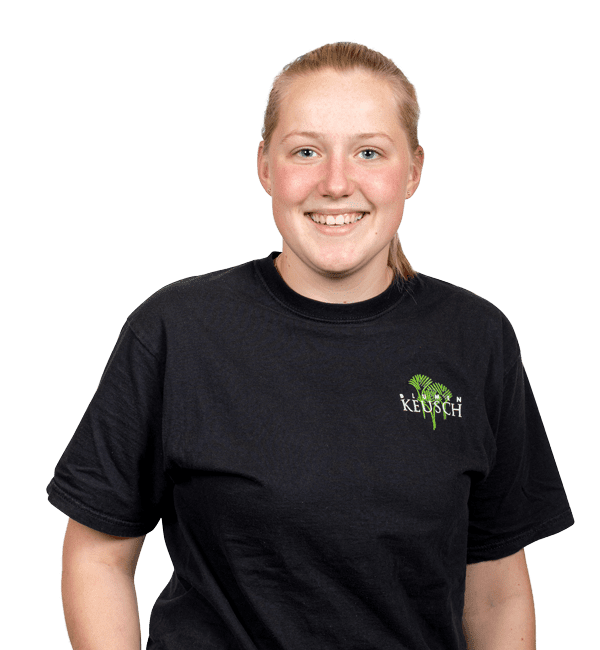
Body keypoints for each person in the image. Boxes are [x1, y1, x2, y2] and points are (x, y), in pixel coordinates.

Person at [47, 41, 574, 650]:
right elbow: (97, 558)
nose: (336, 183)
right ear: (265, 167)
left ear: (413, 171)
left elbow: (497, 591)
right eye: (305, 151)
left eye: (369, 152)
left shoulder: (477, 338)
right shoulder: (175, 330)